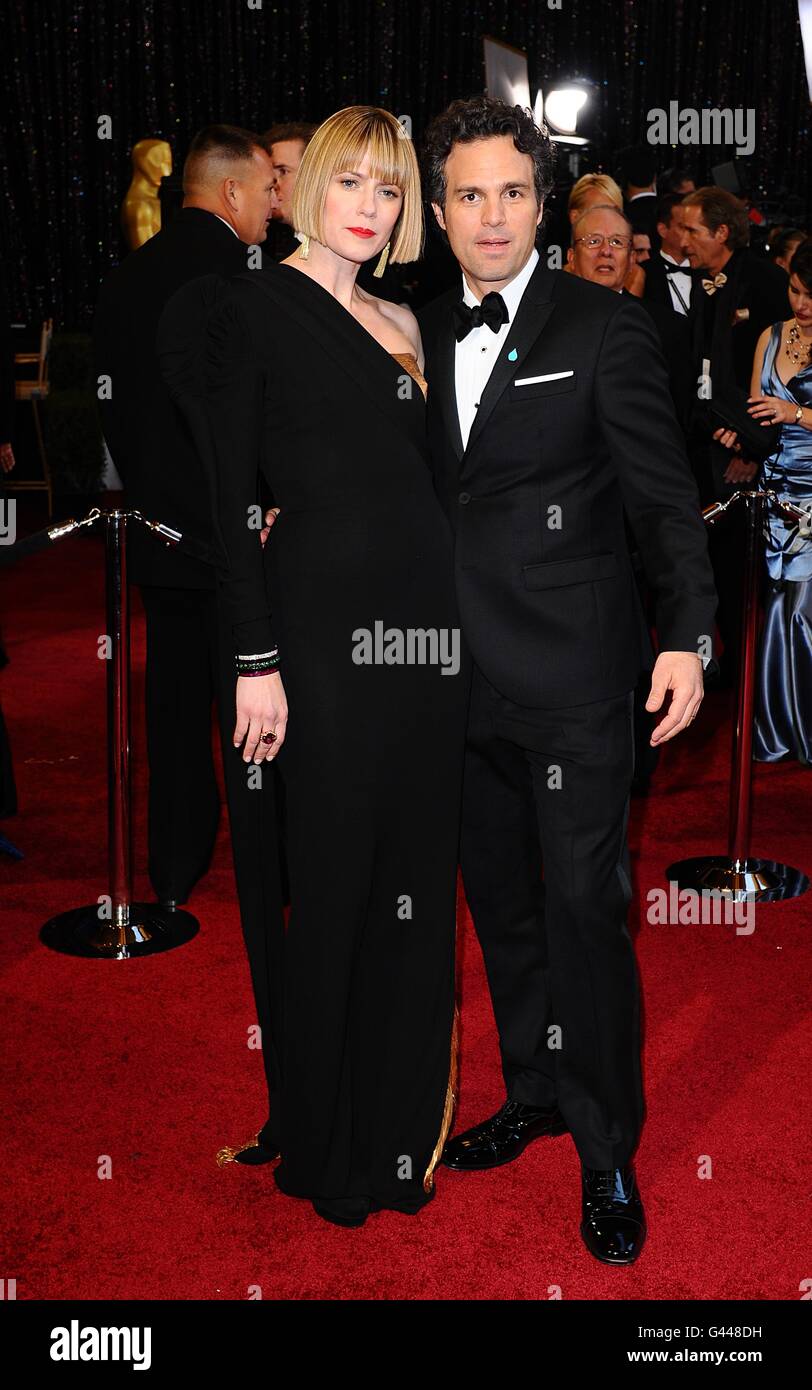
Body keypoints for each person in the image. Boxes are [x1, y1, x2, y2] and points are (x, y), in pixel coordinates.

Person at [418, 96, 717, 1265]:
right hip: (449, 686)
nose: (490, 215)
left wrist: (685, 635)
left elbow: (660, 500)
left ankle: (604, 1147)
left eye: (510, 191)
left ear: (541, 203)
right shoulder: (413, 326)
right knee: (500, 909)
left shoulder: (602, 328)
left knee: (586, 915)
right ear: (438, 211)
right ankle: (532, 1088)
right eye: (467, 194)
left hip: (577, 684)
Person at [159, 105, 468, 1227]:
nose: (370, 208)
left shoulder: (408, 317)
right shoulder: (242, 311)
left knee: (414, 881)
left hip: (427, 642)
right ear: (305, 187)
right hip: (316, 645)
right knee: (334, 878)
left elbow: (439, 490)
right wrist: (253, 660)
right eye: (354, 184)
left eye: (391, 192)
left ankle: (397, 1134)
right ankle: (329, 1135)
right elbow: (230, 506)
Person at [94, 125, 288, 1166]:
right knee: (252, 705)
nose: (274, 199)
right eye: (266, 183)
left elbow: (115, 416)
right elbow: (234, 421)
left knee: (172, 705)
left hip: (153, 537)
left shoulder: (125, 278)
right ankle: (268, 869)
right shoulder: (240, 277)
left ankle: (170, 871)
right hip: (235, 540)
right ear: (228, 188)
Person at [680, 186, 789, 684]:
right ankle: (735, 667)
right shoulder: (705, 282)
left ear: (722, 232)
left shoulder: (767, 283)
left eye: (693, 231)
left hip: (753, 449)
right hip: (710, 441)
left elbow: (775, 377)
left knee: (746, 571)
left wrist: (751, 448)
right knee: (716, 563)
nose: (684, 242)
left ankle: (759, 674)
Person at [747, 240, 812, 763]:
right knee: (773, 612)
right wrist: (738, 434)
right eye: (795, 290)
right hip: (773, 493)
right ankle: (776, 729)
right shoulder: (770, 336)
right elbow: (757, 415)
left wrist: (798, 416)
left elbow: (787, 415)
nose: (802, 305)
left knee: (802, 613)